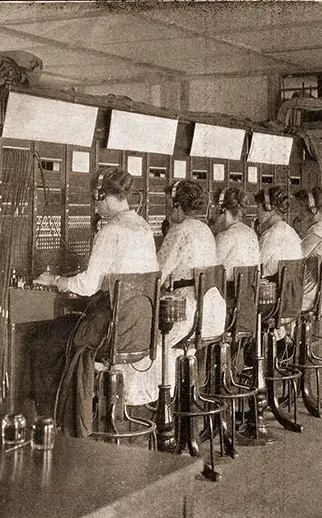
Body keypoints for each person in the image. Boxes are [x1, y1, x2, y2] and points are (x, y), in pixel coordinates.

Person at [30, 168, 159, 436]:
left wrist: (55, 280)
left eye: (96, 200)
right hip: (138, 331)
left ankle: (61, 426)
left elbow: (87, 286)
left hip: (109, 333)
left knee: (44, 340)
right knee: (66, 335)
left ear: (104, 196)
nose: (95, 206)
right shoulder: (145, 227)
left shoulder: (110, 231)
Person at [157, 180, 226, 389]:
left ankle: (161, 400)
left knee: (151, 343)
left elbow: (156, 275)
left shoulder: (179, 230)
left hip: (188, 316)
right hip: (212, 314)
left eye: (169, 206)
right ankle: (182, 398)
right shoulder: (205, 229)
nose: (168, 213)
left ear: (177, 206)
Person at [212, 187, 260, 339]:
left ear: (223, 211)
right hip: (248, 307)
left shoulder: (226, 236)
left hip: (228, 306)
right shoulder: (251, 233)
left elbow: (209, 269)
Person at [294, 187, 322, 312]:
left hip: (313, 295)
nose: (299, 210)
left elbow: (297, 257)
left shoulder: (318, 232)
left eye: (301, 206)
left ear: (313, 209)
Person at [255, 186, 302, 279]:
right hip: (292, 289)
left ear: (268, 207)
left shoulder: (272, 233)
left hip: (275, 287)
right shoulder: (289, 230)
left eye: (259, 207)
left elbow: (257, 265)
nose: (257, 212)